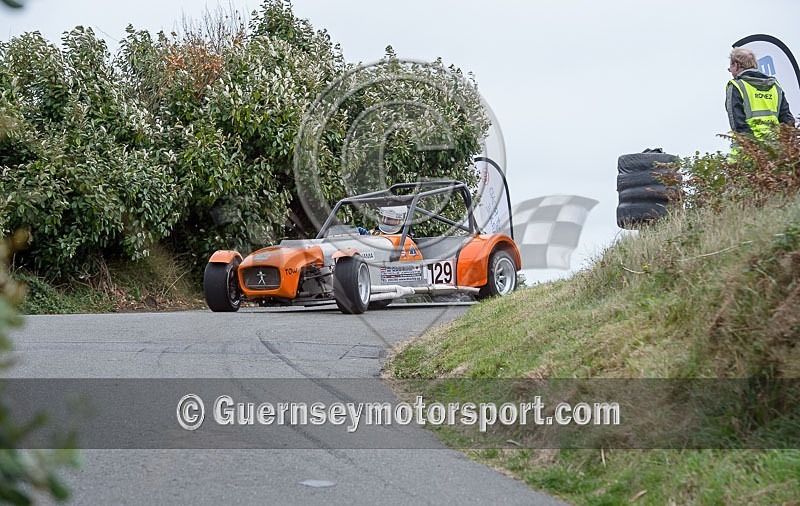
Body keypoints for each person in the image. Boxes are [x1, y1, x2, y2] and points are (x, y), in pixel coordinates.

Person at [725, 47, 794, 148]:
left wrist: (754, 149)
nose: (730, 72)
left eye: (730, 68)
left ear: (736, 65)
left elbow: (737, 123)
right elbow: (787, 120)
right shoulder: (775, 86)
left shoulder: (736, 86)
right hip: (776, 151)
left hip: (749, 154)